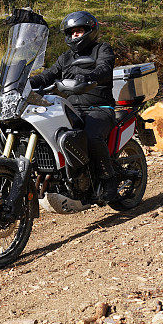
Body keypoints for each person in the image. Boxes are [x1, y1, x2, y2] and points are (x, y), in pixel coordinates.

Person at [28, 11, 119, 201]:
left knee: (92, 136)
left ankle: (109, 179)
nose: (75, 35)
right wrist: (26, 83)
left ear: (90, 31)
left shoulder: (102, 49)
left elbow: (104, 68)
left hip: (100, 109)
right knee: (52, 133)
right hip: (72, 109)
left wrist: (89, 76)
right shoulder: (65, 58)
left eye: (79, 31)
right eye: (72, 32)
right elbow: (49, 74)